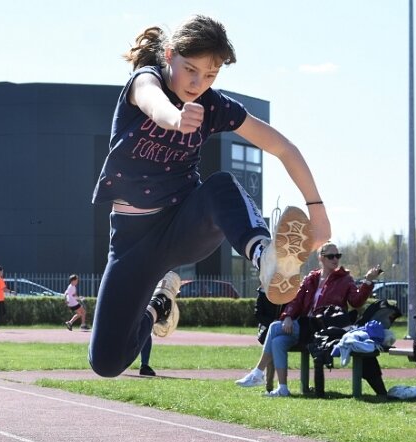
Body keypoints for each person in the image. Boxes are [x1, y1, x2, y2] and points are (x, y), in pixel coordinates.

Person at [87, 15, 330, 378]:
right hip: (131, 243)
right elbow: (153, 102)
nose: (198, 83)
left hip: (183, 224)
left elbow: (283, 148)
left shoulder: (214, 106)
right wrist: (175, 118)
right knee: (106, 362)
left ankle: (267, 258)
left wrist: (317, 208)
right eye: (191, 70)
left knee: (219, 186)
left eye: (211, 75)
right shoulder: (145, 80)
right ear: (169, 56)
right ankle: (160, 303)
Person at [236, 241, 383, 396]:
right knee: (276, 341)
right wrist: (287, 317)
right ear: (321, 258)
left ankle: (258, 372)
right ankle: (283, 389)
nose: (335, 259)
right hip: (305, 326)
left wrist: (368, 282)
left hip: (323, 328)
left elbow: (356, 301)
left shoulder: (345, 279)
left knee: (273, 327)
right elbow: (296, 300)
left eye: (337, 256)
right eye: (331, 256)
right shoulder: (311, 278)